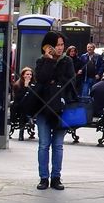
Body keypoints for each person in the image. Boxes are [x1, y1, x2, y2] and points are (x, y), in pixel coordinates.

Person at [33, 31, 77, 190]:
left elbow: (71, 81)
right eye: (57, 45)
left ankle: (56, 177)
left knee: (58, 145)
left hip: (61, 108)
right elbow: (42, 79)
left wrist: (54, 81)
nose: (60, 48)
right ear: (48, 46)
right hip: (43, 107)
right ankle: (43, 177)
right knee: (44, 144)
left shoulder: (68, 61)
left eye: (62, 45)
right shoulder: (41, 61)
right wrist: (49, 61)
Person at [10, 67, 35, 141]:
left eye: (30, 74)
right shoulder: (17, 85)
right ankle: (21, 133)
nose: (29, 76)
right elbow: (18, 97)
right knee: (23, 110)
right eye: (27, 74)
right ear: (23, 75)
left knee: (26, 108)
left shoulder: (34, 84)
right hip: (20, 106)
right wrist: (25, 86)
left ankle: (28, 119)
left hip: (31, 105)